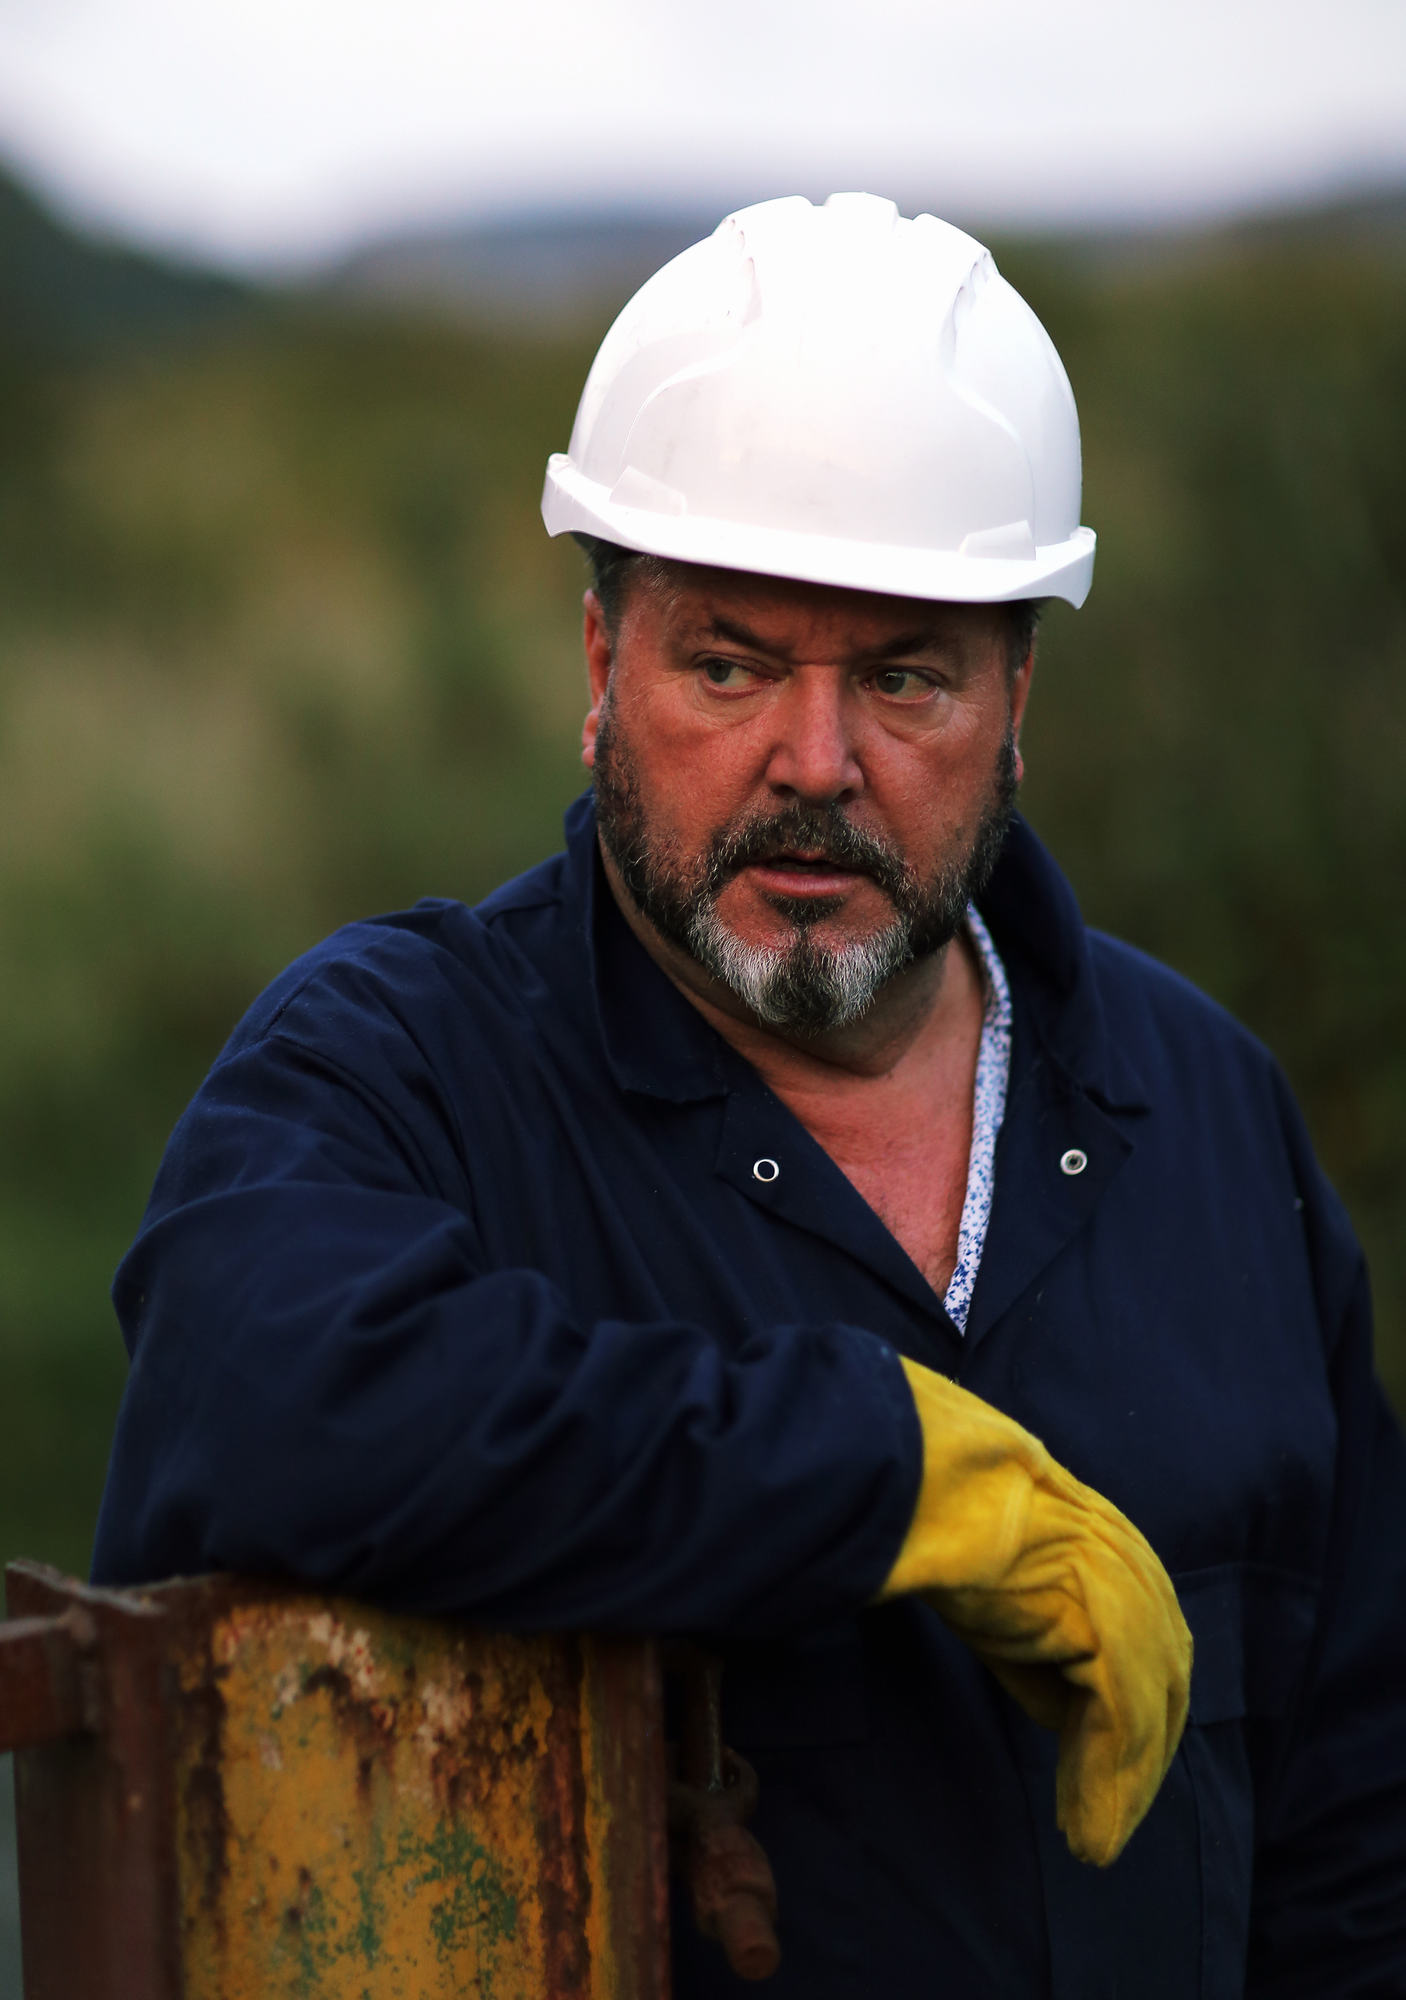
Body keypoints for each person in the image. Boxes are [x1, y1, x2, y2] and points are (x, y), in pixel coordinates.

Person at [93, 195, 1406, 1997]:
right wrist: (873, 1467)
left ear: (1017, 703)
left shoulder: (1210, 1115)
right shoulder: (405, 1066)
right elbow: (257, 1401)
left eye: (903, 677)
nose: (812, 761)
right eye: (727, 663)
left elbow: (1352, 1832)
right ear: (597, 671)